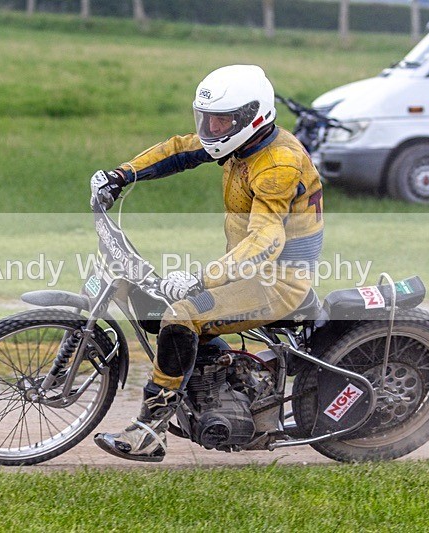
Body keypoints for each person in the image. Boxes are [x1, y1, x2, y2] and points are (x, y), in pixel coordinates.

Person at [91, 64, 324, 462]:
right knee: (155, 302)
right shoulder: (241, 142)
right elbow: (181, 150)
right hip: (246, 271)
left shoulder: (277, 164)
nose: (211, 129)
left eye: (222, 120)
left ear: (252, 116)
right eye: (208, 118)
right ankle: (216, 378)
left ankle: (150, 431)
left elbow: (266, 241)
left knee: (181, 315)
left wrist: (202, 278)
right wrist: (121, 175)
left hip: (278, 282)